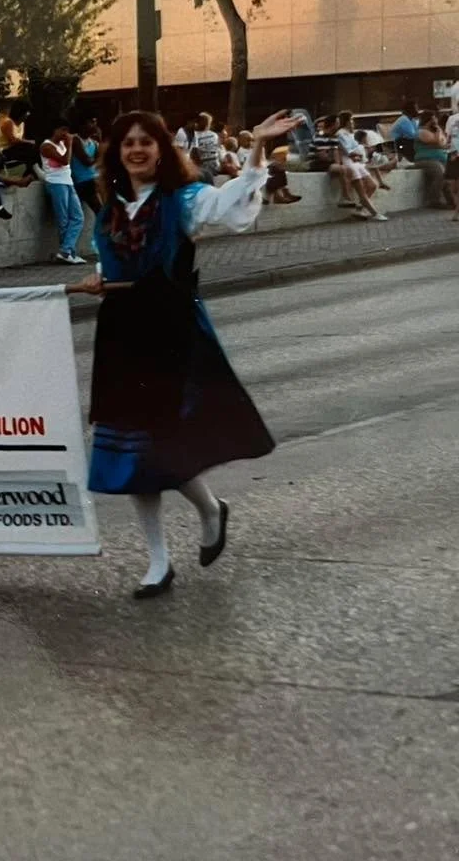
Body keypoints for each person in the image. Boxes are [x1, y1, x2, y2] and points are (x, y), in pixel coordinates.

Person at [69, 109, 302, 599]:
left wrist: (257, 147)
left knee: (162, 443)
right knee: (133, 451)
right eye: (127, 143)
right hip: (121, 332)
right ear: (116, 152)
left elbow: (232, 207)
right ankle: (158, 560)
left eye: (146, 143)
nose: (136, 150)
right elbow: (108, 257)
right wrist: (96, 279)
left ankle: (210, 510)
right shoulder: (111, 207)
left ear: (161, 150)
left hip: (169, 331)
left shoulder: (185, 200)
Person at [39, 125, 86, 265]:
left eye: (67, 130)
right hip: (55, 183)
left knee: (78, 217)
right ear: (55, 130)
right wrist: (70, 143)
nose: (66, 133)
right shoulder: (46, 146)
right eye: (63, 130)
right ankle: (68, 253)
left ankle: (66, 251)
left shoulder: (62, 144)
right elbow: (64, 160)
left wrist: (68, 144)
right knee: (63, 219)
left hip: (68, 182)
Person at [414, 110, 452, 208]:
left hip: (440, 160)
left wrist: (438, 131)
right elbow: (438, 142)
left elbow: (444, 144)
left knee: (450, 177)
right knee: (440, 172)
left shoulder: (435, 132)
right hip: (425, 160)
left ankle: (452, 201)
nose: (436, 121)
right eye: (434, 118)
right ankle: (434, 200)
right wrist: (439, 131)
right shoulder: (421, 131)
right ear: (429, 120)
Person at [71, 118, 103, 219]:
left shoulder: (94, 143)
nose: (94, 126)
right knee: (100, 211)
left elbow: (100, 160)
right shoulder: (76, 140)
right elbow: (87, 161)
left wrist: (100, 141)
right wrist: (98, 157)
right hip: (84, 182)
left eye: (95, 123)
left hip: (94, 181)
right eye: (91, 123)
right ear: (82, 126)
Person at [188, 113, 223, 184]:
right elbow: (218, 150)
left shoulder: (194, 135)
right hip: (216, 166)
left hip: (203, 168)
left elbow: (194, 154)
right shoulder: (214, 135)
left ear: (197, 123)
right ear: (209, 124)